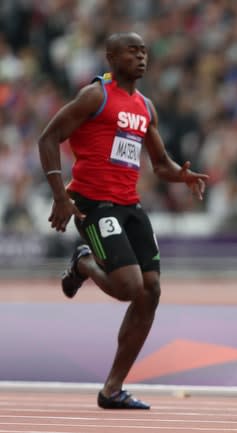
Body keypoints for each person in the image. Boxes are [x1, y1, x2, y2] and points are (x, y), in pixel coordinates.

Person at [38, 32, 208, 410]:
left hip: (129, 205)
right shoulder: (94, 96)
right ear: (111, 57)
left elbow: (159, 163)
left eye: (144, 51)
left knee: (151, 291)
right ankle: (84, 261)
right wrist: (60, 196)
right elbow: (48, 138)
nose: (141, 57)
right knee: (129, 286)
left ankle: (112, 389)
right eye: (132, 51)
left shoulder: (146, 106)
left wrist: (183, 174)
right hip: (92, 204)